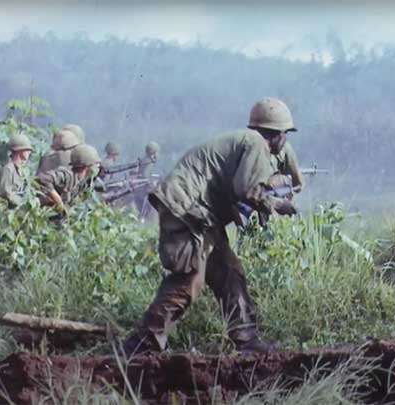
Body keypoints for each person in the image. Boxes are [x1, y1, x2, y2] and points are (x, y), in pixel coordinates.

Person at [123, 97, 298, 355]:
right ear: (278, 134)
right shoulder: (256, 144)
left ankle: (246, 338)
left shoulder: (245, 141)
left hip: (199, 214)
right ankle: (142, 344)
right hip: (185, 209)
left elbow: (235, 188)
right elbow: (245, 188)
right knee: (189, 279)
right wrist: (274, 203)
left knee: (229, 272)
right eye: (285, 134)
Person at [36, 144, 102, 212]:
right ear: (88, 165)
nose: (97, 168)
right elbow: (43, 179)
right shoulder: (67, 176)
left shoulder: (82, 183)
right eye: (96, 164)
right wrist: (58, 201)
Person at [0, 132, 33, 207]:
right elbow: (5, 193)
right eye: (27, 150)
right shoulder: (8, 169)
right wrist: (22, 204)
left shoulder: (22, 171)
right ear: (20, 151)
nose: (29, 153)